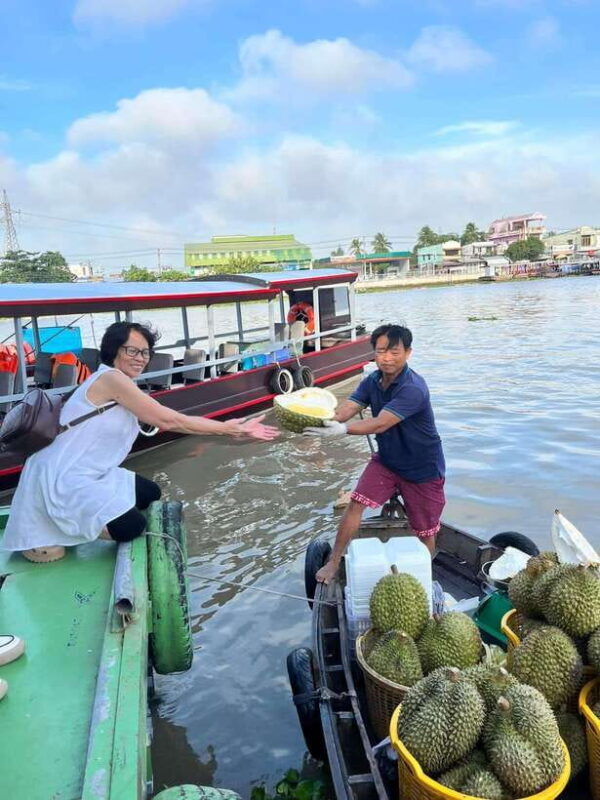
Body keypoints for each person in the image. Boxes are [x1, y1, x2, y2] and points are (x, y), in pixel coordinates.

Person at [3, 322, 278, 562]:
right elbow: (168, 420)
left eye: (145, 352)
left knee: (149, 493)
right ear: (113, 351)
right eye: (131, 350)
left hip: (88, 472)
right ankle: (64, 526)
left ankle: (91, 515)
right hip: (61, 478)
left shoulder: (118, 381)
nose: (140, 358)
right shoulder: (111, 379)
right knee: (132, 527)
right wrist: (228, 429)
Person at [304, 323, 445, 584]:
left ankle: (424, 580)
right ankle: (334, 562)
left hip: (421, 467)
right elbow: (349, 407)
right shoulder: (372, 381)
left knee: (425, 529)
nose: (387, 358)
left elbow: (381, 422)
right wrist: (323, 420)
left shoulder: (413, 388)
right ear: (374, 353)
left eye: (394, 352)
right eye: (381, 351)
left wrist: (342, 430)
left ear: (408, 353)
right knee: (356, 503)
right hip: (388, 461)